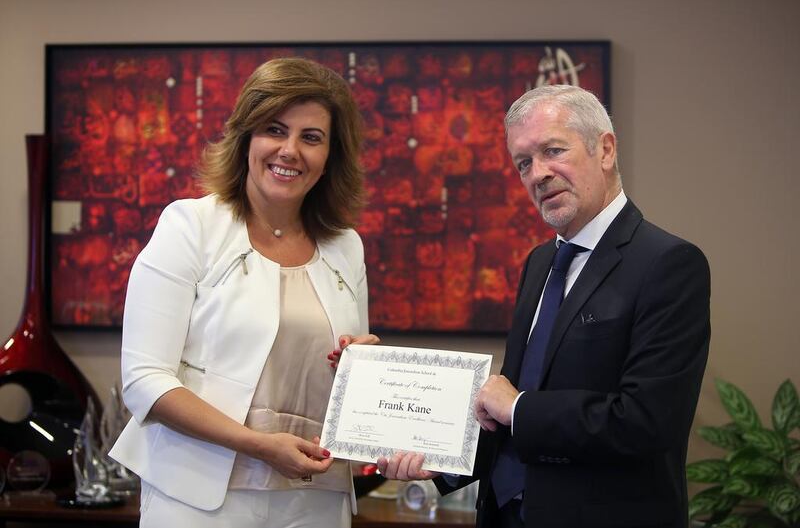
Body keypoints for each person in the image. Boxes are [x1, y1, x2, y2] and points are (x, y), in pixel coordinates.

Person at [378, 84, 710, 528]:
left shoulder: (668, 263)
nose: (537, 174)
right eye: (523, 163)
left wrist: (518, 408)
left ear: (605, 149)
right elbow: (513, 410)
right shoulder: (540, 263)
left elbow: (647, 422)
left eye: (553, 151)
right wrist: (445, 458)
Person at [109, 57, 379, 528]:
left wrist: (361, 364)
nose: (290, 150)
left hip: (316, 493)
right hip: (198, 495)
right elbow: (145, 382)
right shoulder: (191, 227)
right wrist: (257, 444)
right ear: (246, 138)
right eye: (274, 129)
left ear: (331, 156)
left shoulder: (344, 246)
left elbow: (345, 376)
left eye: (311, 137)